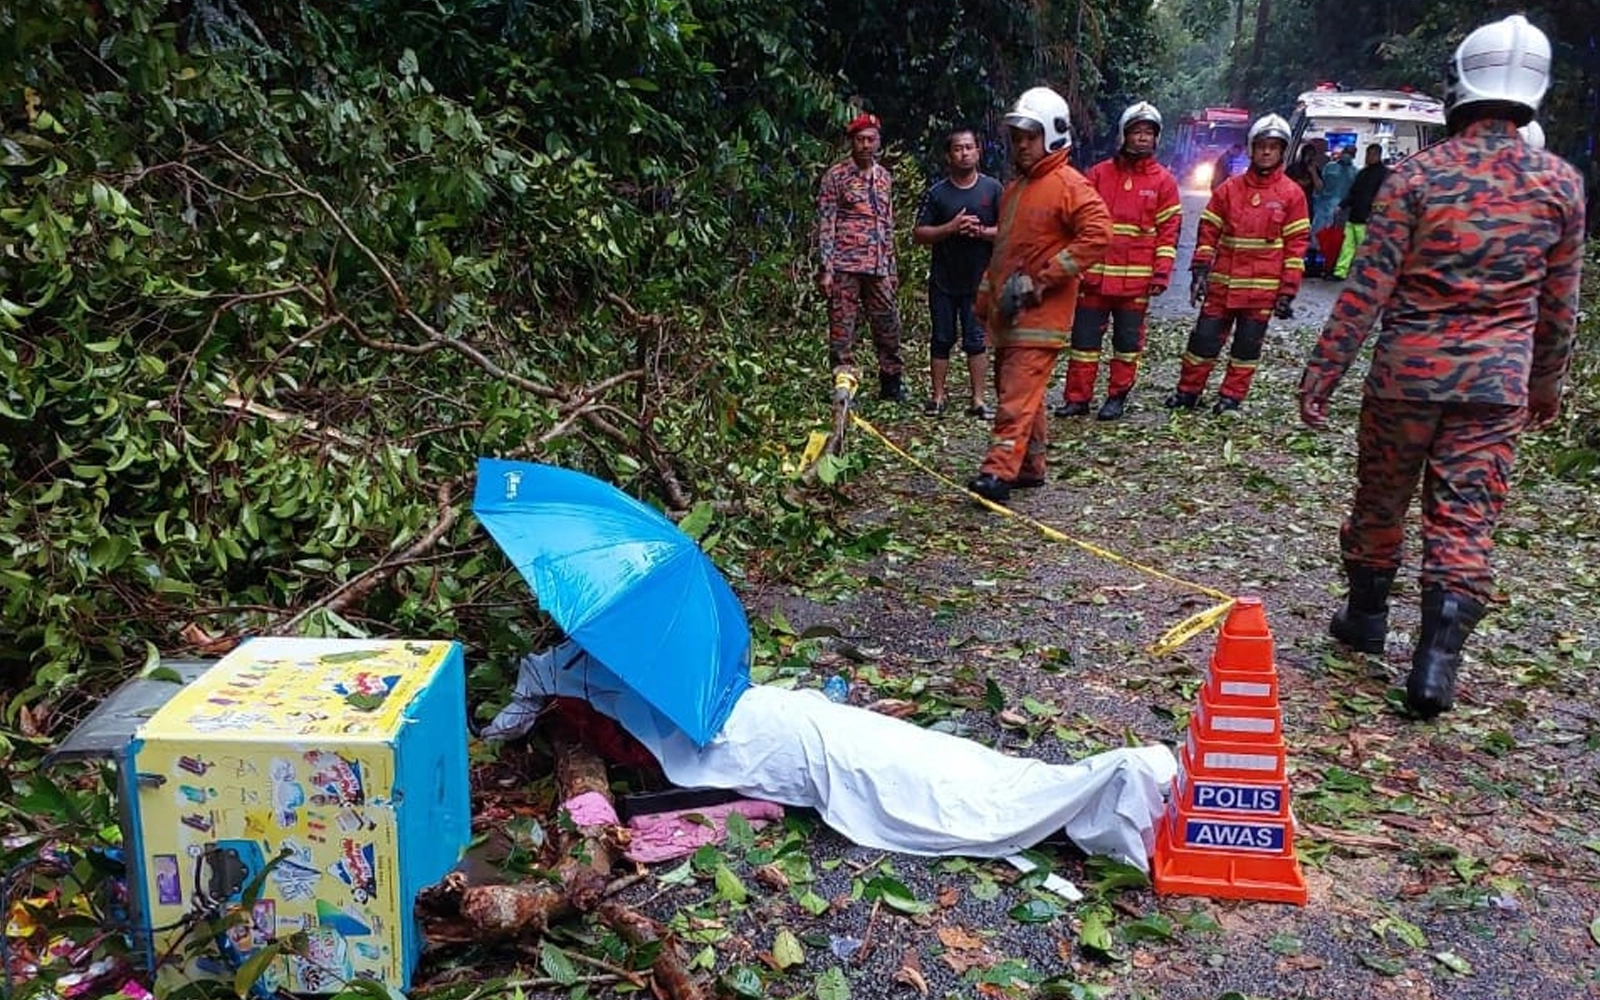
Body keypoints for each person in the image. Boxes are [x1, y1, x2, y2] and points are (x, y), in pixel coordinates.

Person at [1298, 14, 1585, 719]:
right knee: (1465, 520)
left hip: (1406, 378)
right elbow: (1560, 306)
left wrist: (1323, 374)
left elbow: (1367, 289)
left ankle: (1365, 619)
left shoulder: (1415, 177)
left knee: (1381, 499)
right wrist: (1545, 384)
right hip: (1496, 387)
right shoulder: (1560, 185)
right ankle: (1433, 666)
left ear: (1461, 79)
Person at [965, 87, 1111, 504]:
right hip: (1010, 314)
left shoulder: (1069, 185)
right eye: (1016, 138)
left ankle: (997, 473)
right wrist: (984, 298)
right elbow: (1004, 253)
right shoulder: (1015, 190)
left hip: (1040, 316)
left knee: (1015, 394)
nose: (1021, 145)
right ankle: (1030, 465)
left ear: (1052, 134)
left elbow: (1098, 234)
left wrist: (1043, 280)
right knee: (1020, 391)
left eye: (1029, 137)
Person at [1166, 114, 1310, 414]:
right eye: (1261, 146)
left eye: (1273, 147)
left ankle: (1231, 397)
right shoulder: (1228, 190)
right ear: (1251, 148)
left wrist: (1287, 292)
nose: (1266, 152)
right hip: (1222, 286)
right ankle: (1187, 393)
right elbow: (1207, 233)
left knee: (1246, 349)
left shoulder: (1292, 195)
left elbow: (1296, 248)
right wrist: (1200, 271)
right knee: (1201, 343)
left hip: (1261, 293)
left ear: (1283, 151)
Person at [1055, 101, 1182, 421]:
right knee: (1084, 343)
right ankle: (1077, 398)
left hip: (1136, 284)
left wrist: (1161, 274)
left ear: (1157, 139)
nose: (1142, 138)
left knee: (1127, 345)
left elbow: (1169, 234)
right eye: (1137, 131)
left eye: (1148, 133)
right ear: (1123, 136)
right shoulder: (1098, 175)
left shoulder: (1164, 183)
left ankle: (1117, 397)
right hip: (1094, 279)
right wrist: (1073, 266)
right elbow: (1077, 222)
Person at [913, 128, 1003, 417]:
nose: (964, 153)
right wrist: (950, 228)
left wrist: (982, 231)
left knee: (976, 340)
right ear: (948, 155)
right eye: (957, 149)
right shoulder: (937, 193)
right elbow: (919, 233)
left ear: (978, 152)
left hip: (980, 280)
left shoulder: (993, 189)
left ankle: (978, 400)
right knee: (941, 338)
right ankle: (937, 397)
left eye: (969, 147)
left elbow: (1009, 231)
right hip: (943, 279)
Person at [817, 112, 906, 401]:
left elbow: (887, 223)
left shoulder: (884, 178)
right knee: (842, 327)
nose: (866, 145)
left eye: (871, 139)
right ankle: (843, 385)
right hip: (845, 264)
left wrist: (892, 269)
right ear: (852, 142)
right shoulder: (837, 176)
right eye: (860, 140)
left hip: (879, 265)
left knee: (888, 323)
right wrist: (826, 267)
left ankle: (891, 382)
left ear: (879, 141)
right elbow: (827, 221)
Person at [1330, 143, 1388, 280]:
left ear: (1377, 155)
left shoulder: (1381, 174)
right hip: (1357, 216)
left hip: (1367, 218)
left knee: (1363, 248)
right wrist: (1342, 205)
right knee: (1349, 247)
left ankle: (1362, 273)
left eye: (1370, 154)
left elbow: (1382, 197)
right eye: (1368, 154)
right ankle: (1341, 272)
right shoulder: (1365, 173)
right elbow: (1353, 192)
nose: (1367, 157)